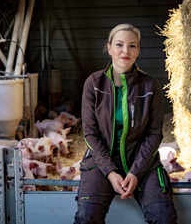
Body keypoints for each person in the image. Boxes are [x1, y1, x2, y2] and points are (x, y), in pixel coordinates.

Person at [74, 23, 178, 224]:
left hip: (143, 162)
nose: (125, 51)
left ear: (138, 50)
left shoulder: (150, 85)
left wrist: (136, 172)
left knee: (164, 216)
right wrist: (111, 172)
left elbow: (154, 134)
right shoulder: (94, 84)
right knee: (87, 217)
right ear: (110, 48)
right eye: (119, 44)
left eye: (132, 46)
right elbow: (90, 134)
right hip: (100, 162)